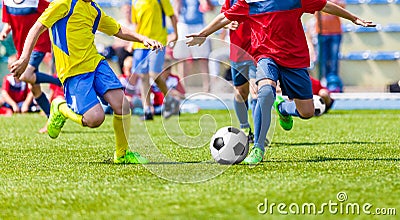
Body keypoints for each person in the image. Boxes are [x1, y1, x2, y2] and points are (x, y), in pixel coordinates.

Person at [186, 0, 375, 164]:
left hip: (294, 59)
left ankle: (283, 108)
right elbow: (225, 17)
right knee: (265, 92)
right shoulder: (250, 2)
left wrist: (353, 18)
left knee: (307, 112)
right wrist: (203, 33)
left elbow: (324, 5)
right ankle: (258, 148)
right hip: (265, 56)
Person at [11, 0, 164, 164]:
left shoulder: (93, 8)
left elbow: (117, 29)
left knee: (122, 105)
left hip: (96, 64)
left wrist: (143, 39)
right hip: (73, 72)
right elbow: (37, 27)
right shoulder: (63, 4)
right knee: (95, 119)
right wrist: (25, 58)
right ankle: (60, 108)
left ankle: (122, 154)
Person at [1, 0, 62, 133]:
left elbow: (54, 13)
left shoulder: (35, 1)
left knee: (23, 75)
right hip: (22, 49)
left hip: (39, 45)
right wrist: (5, 31)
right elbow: (7, 22)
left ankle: (59, 82)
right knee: (34, 89)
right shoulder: (7, 1)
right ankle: (52, 121)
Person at [131, 0, 180, 120]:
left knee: (154, 74)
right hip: (140, 44)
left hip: (157, 41)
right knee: (143, 77)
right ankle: (147, 110)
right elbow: (136, 23)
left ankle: (170, 100)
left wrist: (175, 34)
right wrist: (131, 40)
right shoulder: (135, 2)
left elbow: (172, 16)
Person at [220, 0, 258, 145]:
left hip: (257, 51)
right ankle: (245, 128)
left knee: (256, 92)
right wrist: (227, 24)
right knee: (240, 92)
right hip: (238, 53)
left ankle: (259, 133)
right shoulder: (230, 1)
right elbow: (223, 17)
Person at [173, 0, 214, 92]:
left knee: (203, 58)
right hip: (183, 25)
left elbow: (211, 8)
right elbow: (176, 10)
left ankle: (207, 87)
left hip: (199, 25)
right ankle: (182, 87)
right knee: (182, 58)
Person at [315, 0, 346, 93]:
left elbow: (343, 6)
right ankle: (323, 83)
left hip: (335, 32)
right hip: (321, 32)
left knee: (333, 59)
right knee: (322, 60)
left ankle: (333, 83)